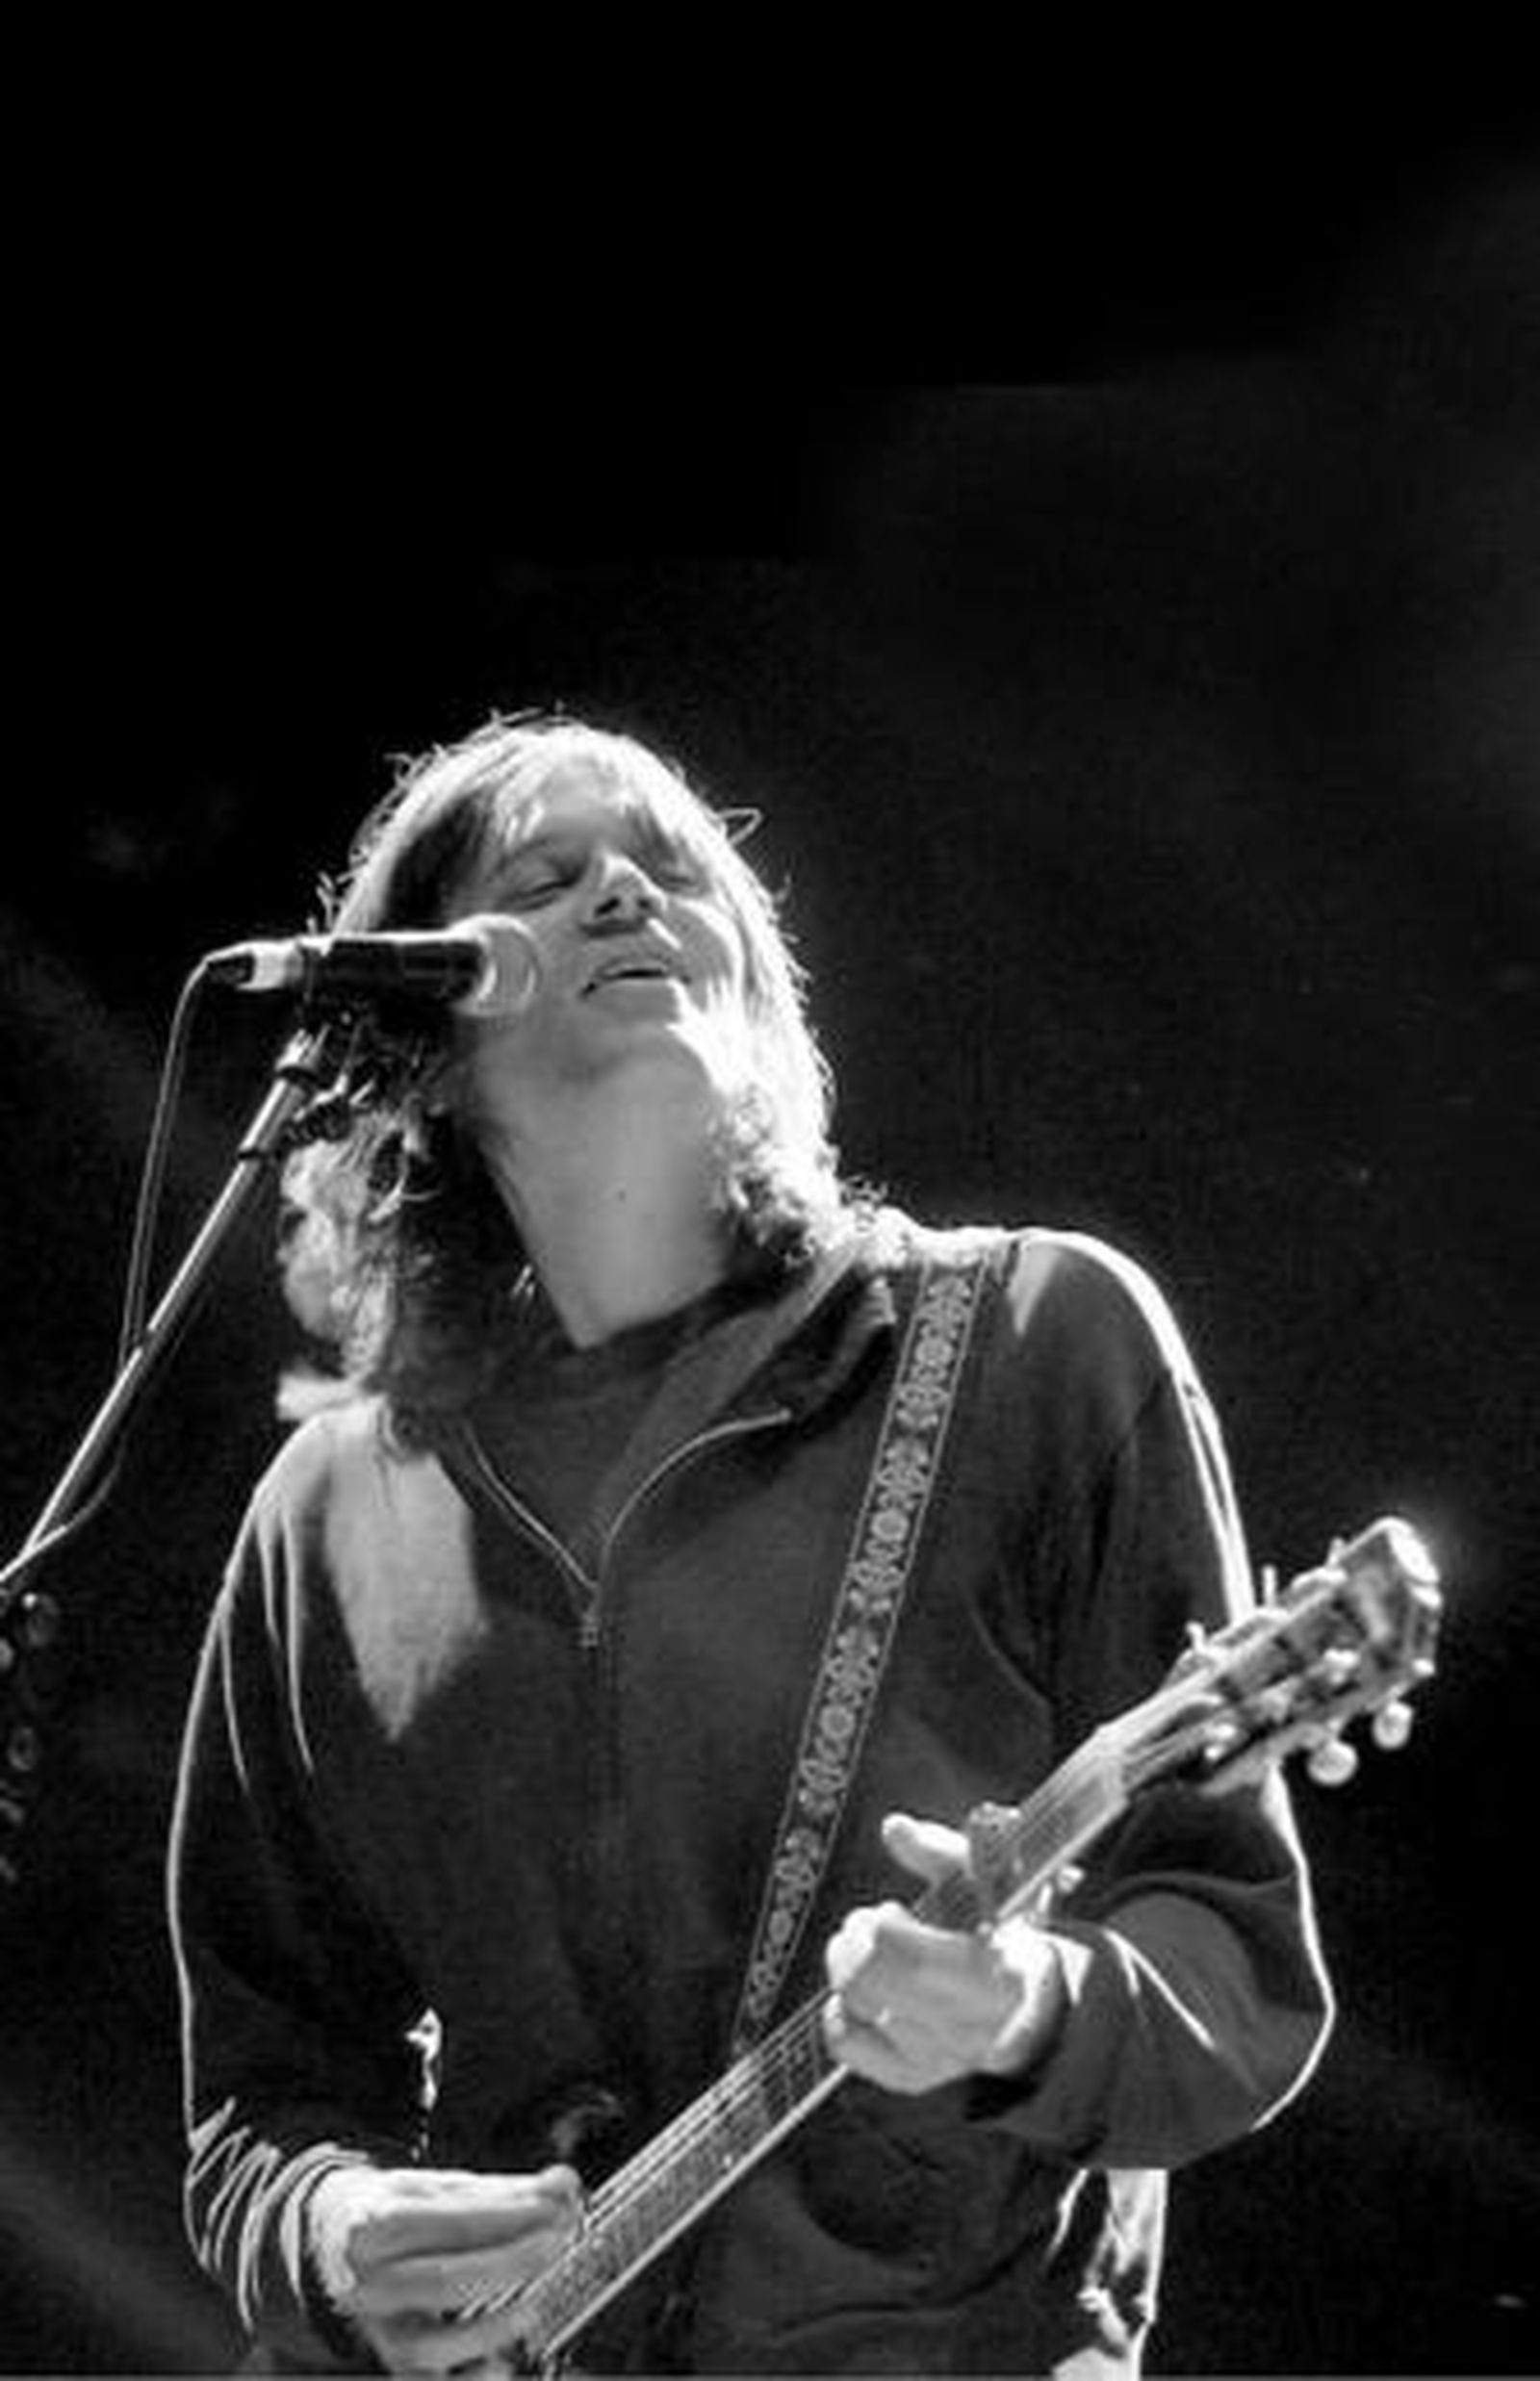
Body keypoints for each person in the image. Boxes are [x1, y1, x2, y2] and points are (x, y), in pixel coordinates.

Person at [167, 710, 1334, 2378]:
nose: (625, 894)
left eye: (673, 867)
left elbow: (1235, 1963)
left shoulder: (1032, 1342)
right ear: (421, 1045)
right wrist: (333, 2234)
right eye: (543, 881)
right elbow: (260, 2096)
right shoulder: (327, 1513)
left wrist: (1028, 2009)